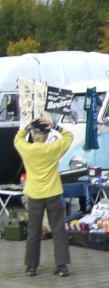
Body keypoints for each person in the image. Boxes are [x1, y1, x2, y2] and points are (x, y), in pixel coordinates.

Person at [14, 118, 75, 277]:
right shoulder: (53, 149)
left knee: (33, 231)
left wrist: (27, 127)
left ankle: (31, 267)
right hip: (53, 193)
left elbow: (17, 138)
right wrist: (55, 126)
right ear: (47, 136)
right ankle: (62, 265)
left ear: (33, 135)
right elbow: (69, 136)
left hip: (34, 194)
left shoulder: (26, 149)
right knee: (58, 229)